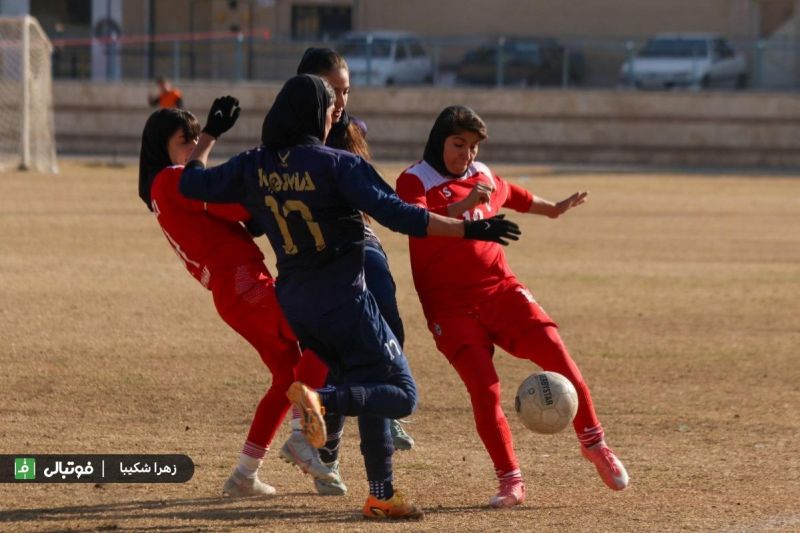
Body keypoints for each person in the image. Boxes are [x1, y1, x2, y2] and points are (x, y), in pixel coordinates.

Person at [179, 75, 520, 520]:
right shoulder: (338, 164)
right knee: (401, 394)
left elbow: (193, 185)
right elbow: (401, 216)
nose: (332, 118)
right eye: (328, 110)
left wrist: (209, 134)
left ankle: (381, 494)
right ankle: (323, 400)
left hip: (297, 303)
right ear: (314, 114)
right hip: (346, 299)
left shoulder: (251, 164)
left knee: (371, 385)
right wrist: (471, 228)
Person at [395, 105, 629, 509]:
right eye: (457, 145)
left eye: (471, 147)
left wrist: (552, 208)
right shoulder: (414, 179)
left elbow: (514, 194)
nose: (465, 155)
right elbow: (416, 220)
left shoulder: (481, 175)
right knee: (485, 392)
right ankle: (511, 482)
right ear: (438, 141)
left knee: (558, 354)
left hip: (501, 291)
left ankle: (595, 444)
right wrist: (461, 205)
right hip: (449, 308)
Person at [138, 97, 332, 499]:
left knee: (287, 377)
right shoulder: (172, 178)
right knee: (325, 336)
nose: (193, 145)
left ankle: (245, 473)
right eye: (184, 139)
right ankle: (303, 436)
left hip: (235, 290)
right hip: (244, 284)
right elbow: (235, 206)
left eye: (195, 138)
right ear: (164, 148)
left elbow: (233, 213)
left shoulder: (166, 186)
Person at [280, 47, 414, 498]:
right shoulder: (286, 142)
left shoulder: (350, 133)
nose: (341, 101)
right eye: (332, 92)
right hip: (324, 261)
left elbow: (378, 201)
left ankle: (338, 454)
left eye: (346, 90)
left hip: (360, 244)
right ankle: (325, 442)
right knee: (353, 359)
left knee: (383, 338)